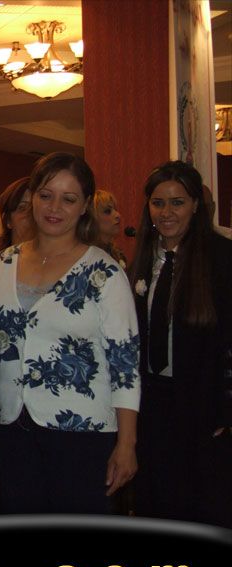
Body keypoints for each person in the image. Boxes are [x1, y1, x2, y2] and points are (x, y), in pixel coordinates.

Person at [0, 152, 140, 514]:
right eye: (46, 195)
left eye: (68, 199)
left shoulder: (104, 272)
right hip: (10, 427)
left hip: (82, 434)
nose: (54, 208)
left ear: (84, 206)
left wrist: (127, 444)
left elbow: (125, 365)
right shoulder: (1, 263)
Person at [128, 160, 232, 527]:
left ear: (195, 205)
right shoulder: (142, 259)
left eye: (177, 202)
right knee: (155, 503)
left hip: (203, 407)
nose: (166, 213)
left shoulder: (222, 258)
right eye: (158, 203)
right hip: (151, 405)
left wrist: (226, 412)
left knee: (202, 508)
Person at [0, 176, 35, 273]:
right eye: (22, 208)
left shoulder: (56, 267)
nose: (31, 214)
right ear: (8, 220)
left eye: (35, 208)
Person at [93, 189, 127, 267]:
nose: (118, 215)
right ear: (93, 218)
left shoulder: (117, 254)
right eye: (107, 211)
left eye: (115, 210)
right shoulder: (86, 255)